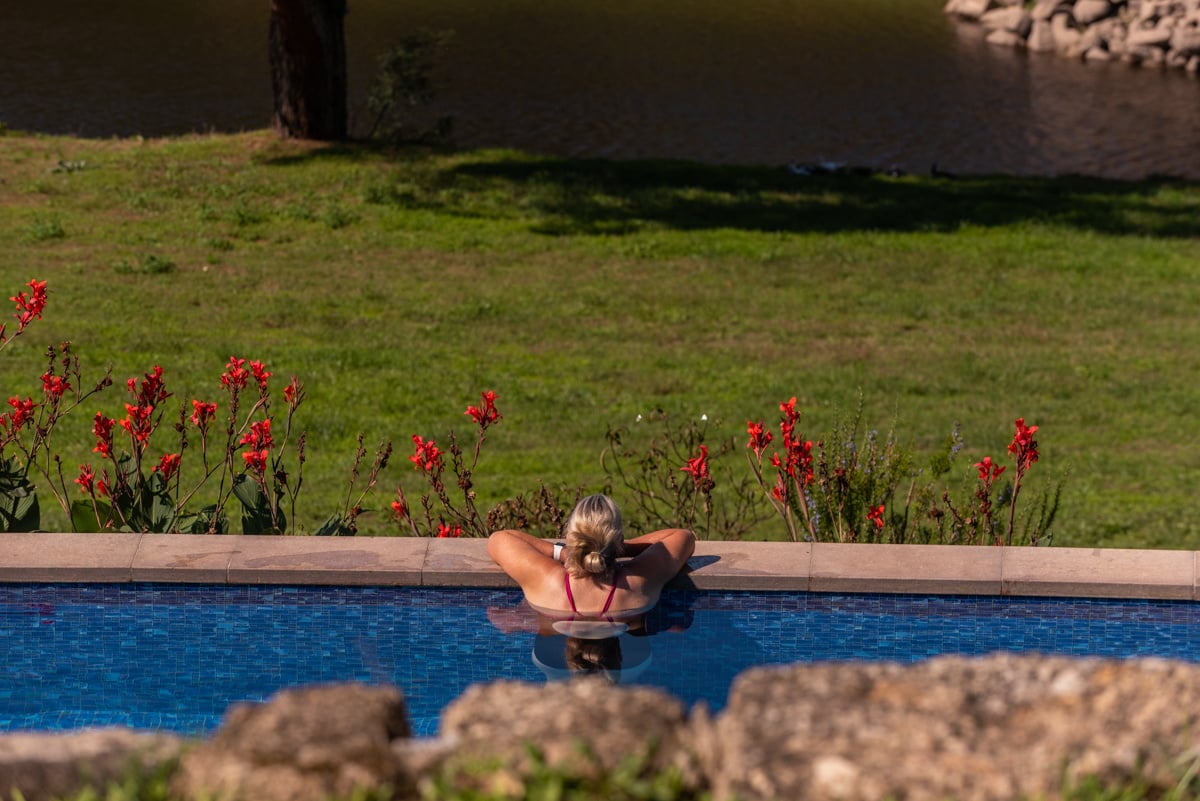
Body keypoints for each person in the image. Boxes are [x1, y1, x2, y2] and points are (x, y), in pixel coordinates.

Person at [487, 494, 696, 624]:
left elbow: (499, 539)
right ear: (617, 541)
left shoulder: (547, 580)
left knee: (524, 622)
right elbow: (683, 537)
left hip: (555, 667)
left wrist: (562, 552)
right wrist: (614, 549)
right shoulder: (638, 581)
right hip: (629, 666)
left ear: (571, 538)